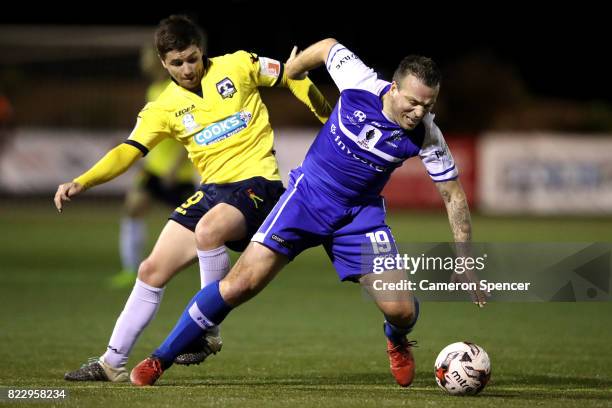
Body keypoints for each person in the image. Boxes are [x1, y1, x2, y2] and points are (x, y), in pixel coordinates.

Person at [130, 38, 481, 388]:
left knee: (401, 310)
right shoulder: (359, 82)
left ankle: (397, 340)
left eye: (428, 105)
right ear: (393, 88)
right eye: (413, 102)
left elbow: (453, 197)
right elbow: (328, 47)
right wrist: (294, 69)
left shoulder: (427, 135)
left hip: (357, 218)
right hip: (306, 199)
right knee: (239, 285)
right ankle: (160, 358)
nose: (419, 112)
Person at [55, 15, 331, 382]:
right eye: (177, 63)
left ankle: (206, 330)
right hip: (212, 192)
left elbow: (291, 74)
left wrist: (328, 116)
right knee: (151, 270)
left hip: (258, 184)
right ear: (163, 63)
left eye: (192, 58)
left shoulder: (239, 64)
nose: (188, 69)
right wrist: (83, 181)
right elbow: (128, 150)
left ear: (202, 52)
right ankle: (112, 363)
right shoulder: (163, 107)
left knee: (209, 229)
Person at [112, 44, 196, 289]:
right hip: (154, 170)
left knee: (200, 226)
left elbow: (188, 132)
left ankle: (215, 265)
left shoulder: (177, 90)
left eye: (146, 57)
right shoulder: (154, 89)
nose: (143, 62)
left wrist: (175, 165)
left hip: (175, 173)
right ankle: (130, 269)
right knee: (132, 209)